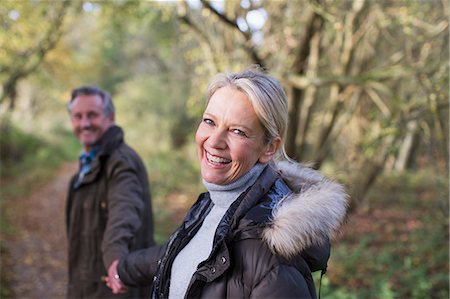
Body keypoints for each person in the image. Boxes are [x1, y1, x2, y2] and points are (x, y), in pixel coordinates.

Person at [107, 67, 347, 298]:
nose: (214, 141)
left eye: (237, 131)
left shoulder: (272, 255)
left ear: (269, 148)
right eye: (210, 122)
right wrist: (123, 269)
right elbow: (185, 253)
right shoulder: (218, 202)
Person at [66, 86, 155, 298]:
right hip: (85, 286)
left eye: (92, 115)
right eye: (78, 116)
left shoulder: (121, 162)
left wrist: (116, 260)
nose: (85, 123)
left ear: (111, 117)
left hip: (114, 290)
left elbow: (124, 211)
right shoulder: (89, 163)